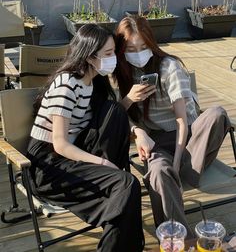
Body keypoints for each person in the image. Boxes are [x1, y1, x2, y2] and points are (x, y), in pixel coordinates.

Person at [26, 23, 145, 252]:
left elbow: (108, 122)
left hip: (74, 155)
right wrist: (103, 163)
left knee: (116, 112)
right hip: (49, 165)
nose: (114, 60)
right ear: (90, 57)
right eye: (108, 54)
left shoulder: (93, 82)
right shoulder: (67, 84)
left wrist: (130, 104)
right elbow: (59, 144)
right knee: (127, 186)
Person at [114, 16, 231, 237]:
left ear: (151, 43)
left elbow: (181, 121)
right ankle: (177, 240)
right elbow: (116, 116)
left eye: (143, 46)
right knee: (158, 171)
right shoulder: (120, 74)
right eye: (130, 48)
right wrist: (136, 125)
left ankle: (177, 173)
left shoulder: (169, 66)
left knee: (217, 113)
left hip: (188, 137)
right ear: (121, 49)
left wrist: (176, 166)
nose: (138, 53)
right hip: (156, 142)